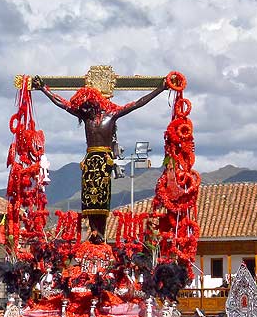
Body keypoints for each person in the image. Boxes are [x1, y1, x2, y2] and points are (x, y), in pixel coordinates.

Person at [33, 74, 168, 241]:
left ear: (96, 101)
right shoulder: (85, 116)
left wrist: (160, 89)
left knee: (102, 198)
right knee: (88, 198)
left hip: (104, 161)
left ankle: (100, 232)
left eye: (88, 103)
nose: (85, 107)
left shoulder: (112, 114)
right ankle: (93, 231)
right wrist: (44, 89)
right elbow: (63, 104)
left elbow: (138, 103)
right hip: (90, 160)